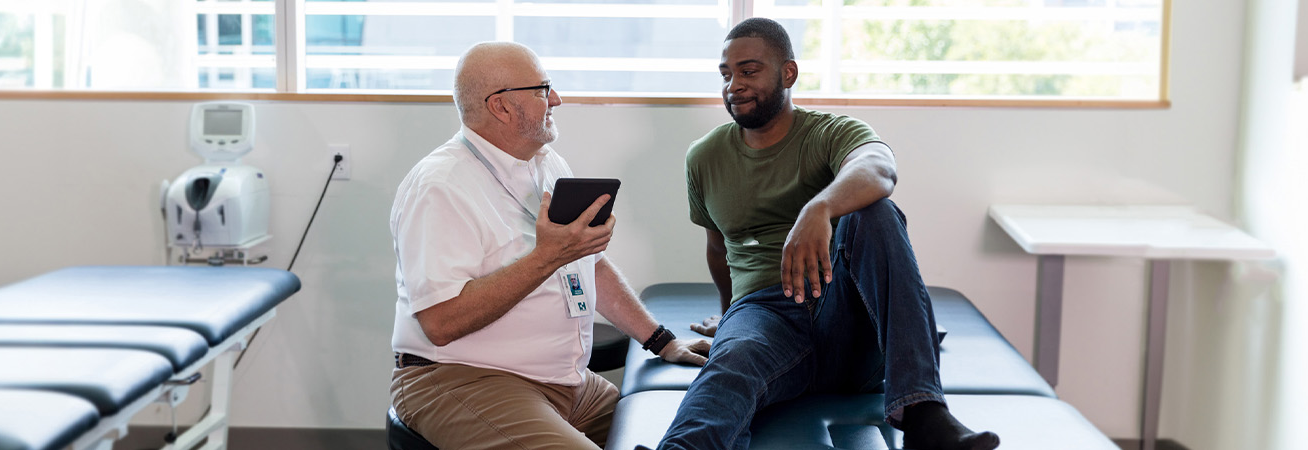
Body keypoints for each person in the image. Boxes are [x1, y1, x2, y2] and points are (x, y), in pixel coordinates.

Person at [653, 18, 1000, 450]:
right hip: (765, 317)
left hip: (845, 316)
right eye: (726, 74)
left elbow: (879, 169)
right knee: (733, 359)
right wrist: (729, 319)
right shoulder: (704, 157)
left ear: (788, 73)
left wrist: (820, 207)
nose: (734, 85)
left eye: (749, 70)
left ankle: (924, 413)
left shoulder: (831, 132)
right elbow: (718, 247)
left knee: (875, 212)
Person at [389, 41, 711, 449]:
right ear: (501, 107)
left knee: (693, 433)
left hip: (566, 383)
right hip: (462, 378)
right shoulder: (439, 187)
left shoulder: (546, 163)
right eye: (543, 89)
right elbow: (440, 323)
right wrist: (546, 257)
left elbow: (590, 264)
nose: (556, 99)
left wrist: (662, 341)